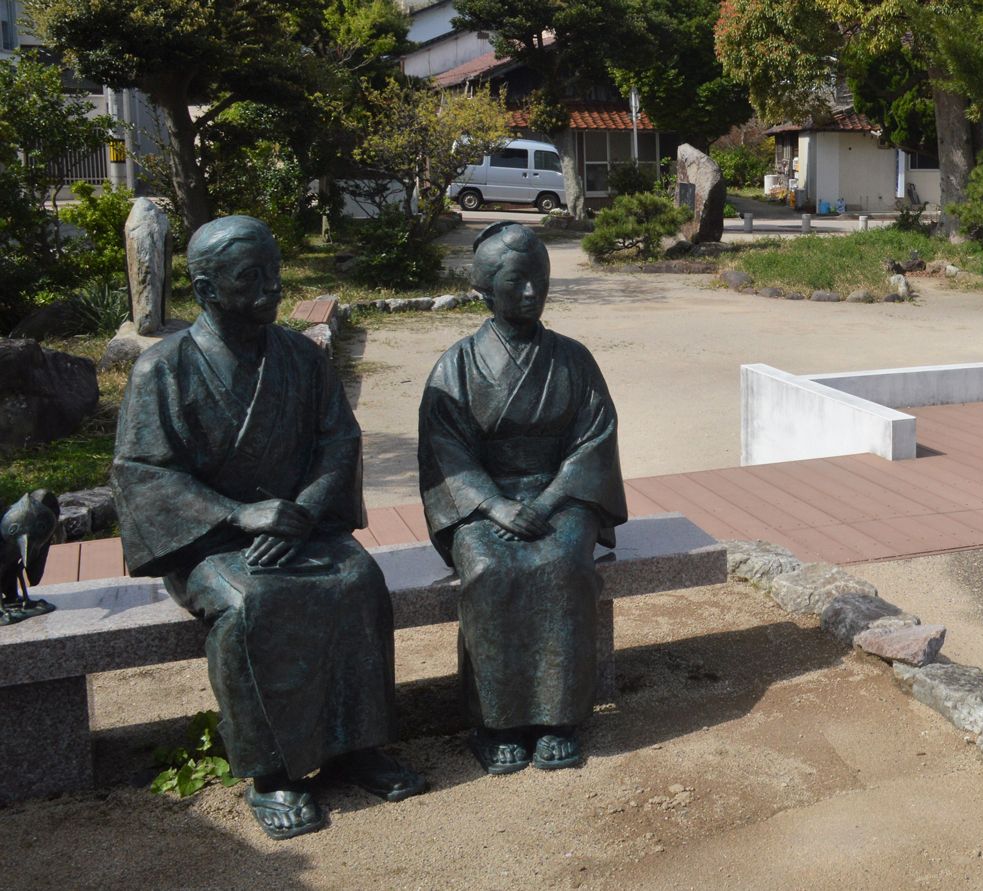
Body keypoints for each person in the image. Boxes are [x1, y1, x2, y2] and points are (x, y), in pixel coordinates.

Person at [112, 215, 425, 840]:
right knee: (251, 605)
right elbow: (143, 472)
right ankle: (271, 771)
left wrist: (303, 510)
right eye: (251, 277)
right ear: (206, 290)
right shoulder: (163, 369)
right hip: (210, 540)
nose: (273, 287)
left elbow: (339, 441)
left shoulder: (301, 357)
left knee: (358, 581)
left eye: (274, 272)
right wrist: (238, 513)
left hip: (302, 523)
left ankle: (356, 745)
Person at [419, 221, 627, 774]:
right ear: (485, 290)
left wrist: (550, 500)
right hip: (483, 502)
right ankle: (497, 722)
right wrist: (495, 505)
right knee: (489, 569)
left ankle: (560, 719)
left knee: (564, 565)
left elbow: (594, 440)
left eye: (540, 279)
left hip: (563, 496)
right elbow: (446, 454)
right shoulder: (457, 365)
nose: (532, 292)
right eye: (516, 282)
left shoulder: (573, 359)